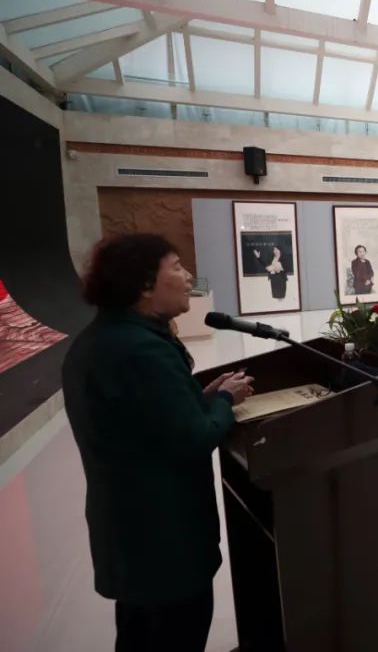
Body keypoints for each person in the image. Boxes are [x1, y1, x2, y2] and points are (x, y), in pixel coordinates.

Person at [62, 234, 254, 652]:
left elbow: (146, 421)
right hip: (165, 540)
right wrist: (224, 400)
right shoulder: (142, 351)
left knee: (140, 635)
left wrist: (199, 397)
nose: (189, 278)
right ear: (144, 284)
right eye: (177, 267)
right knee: (174, 634)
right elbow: (195, 438)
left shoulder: (103, 339)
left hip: (132, 534)